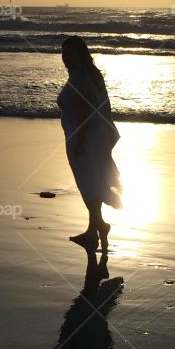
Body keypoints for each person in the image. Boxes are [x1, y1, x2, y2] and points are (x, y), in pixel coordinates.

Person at [57, 36, 122, 251]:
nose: (65, 58)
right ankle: (96, 228)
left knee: (87, 181)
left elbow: (88, 110)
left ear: (80, 53)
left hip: (86, 136)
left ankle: (97, 228)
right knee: (91, 180)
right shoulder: (89, 74)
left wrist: (81, 139)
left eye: (69, 53)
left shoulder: (81, 77)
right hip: (93, 135)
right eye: (63, 53)